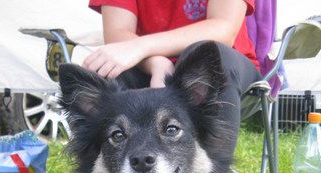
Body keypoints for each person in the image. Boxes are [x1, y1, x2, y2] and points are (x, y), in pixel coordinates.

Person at [83, 0, 262, 152]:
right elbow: (117, 34)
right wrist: (156, 63)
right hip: (145, 67)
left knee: (210, 54)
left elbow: (222, 29)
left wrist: (141, 47)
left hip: (216, 73)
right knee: (106, 69)